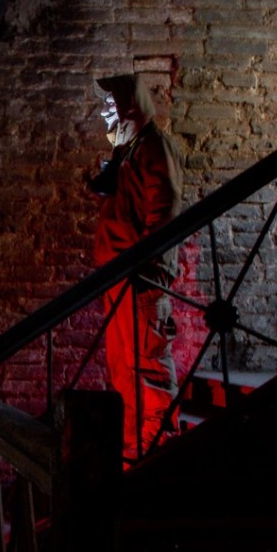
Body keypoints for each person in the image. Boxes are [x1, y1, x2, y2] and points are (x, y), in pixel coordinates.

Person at [87, 73, 184, 463]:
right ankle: (134, 446)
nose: (106, 111)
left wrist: (144, 263)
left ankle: (158, 446)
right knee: (124, 367)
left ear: (132, 104)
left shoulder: (154, 147)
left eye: (112, 103)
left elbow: (164, 210)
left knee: (147, 363)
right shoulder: (130, 152)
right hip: (120, 275)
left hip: (139, 277)